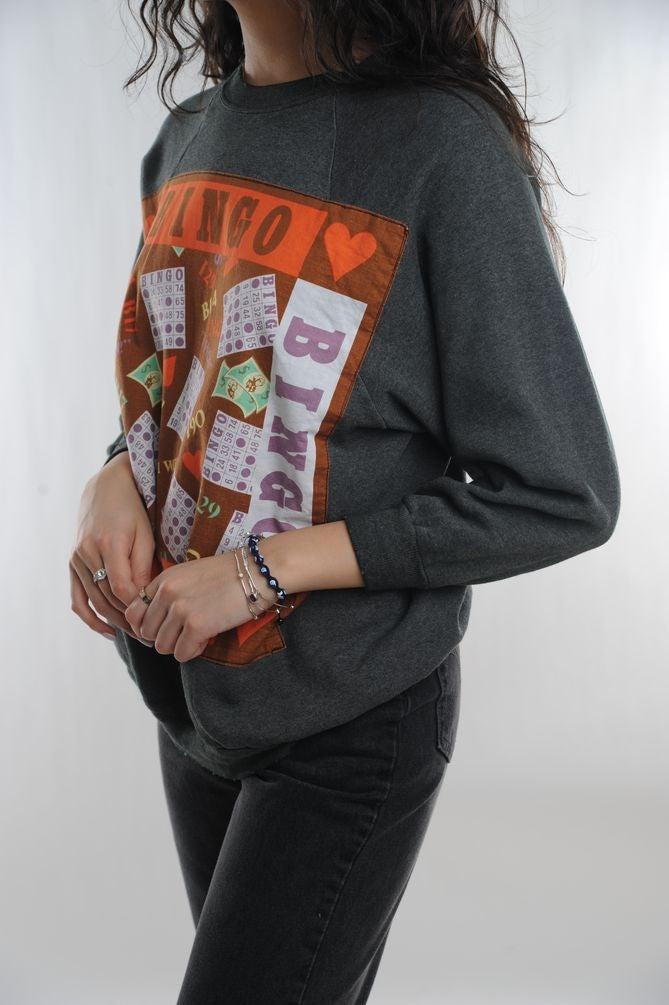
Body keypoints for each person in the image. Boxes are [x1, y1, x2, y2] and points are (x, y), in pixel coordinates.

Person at [69, 1, 621, 1001]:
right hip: (192, 697)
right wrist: (111, 476)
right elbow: (192, 387)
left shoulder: (442, 147)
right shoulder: (187, 137)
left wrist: (262, 571)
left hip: (352, 714)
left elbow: (563, 489)